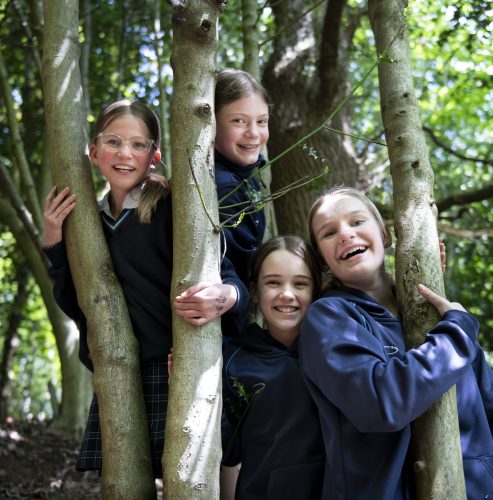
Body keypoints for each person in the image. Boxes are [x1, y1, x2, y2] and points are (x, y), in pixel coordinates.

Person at [43, 98, 249, 478]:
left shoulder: (172, 207)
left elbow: (231, 278)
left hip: (177, 364)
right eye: (113, 142)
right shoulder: (89, 224)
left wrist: (227, 296)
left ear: (154, 156)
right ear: (92, 151)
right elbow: (77, 304)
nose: (125, 153)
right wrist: (55, 244)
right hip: (120, 371)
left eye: (139, 145)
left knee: (200, 475)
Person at [300, 186, 493, 499]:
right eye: (328, 233)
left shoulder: (441, 316)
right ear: (323, 261)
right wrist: (458, 333)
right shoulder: (328, 318)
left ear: (385, 235)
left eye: (356, 222)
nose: (345, 234)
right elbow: (382, 403)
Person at [220, 236, 326, 500]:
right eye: (273, 283)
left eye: (300, 284)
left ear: (316, 290)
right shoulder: (236, 360)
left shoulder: (334, 352)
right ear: (254, 292)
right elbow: (227, 450)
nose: (287, 294)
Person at [174, 69, 270, 330]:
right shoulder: (219, 185)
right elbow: (220, 260)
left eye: (262, 121)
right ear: (212, 124)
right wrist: (238, 295)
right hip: (221, 323)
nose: (253, 133)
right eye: (239, 121)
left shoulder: (245, 178)